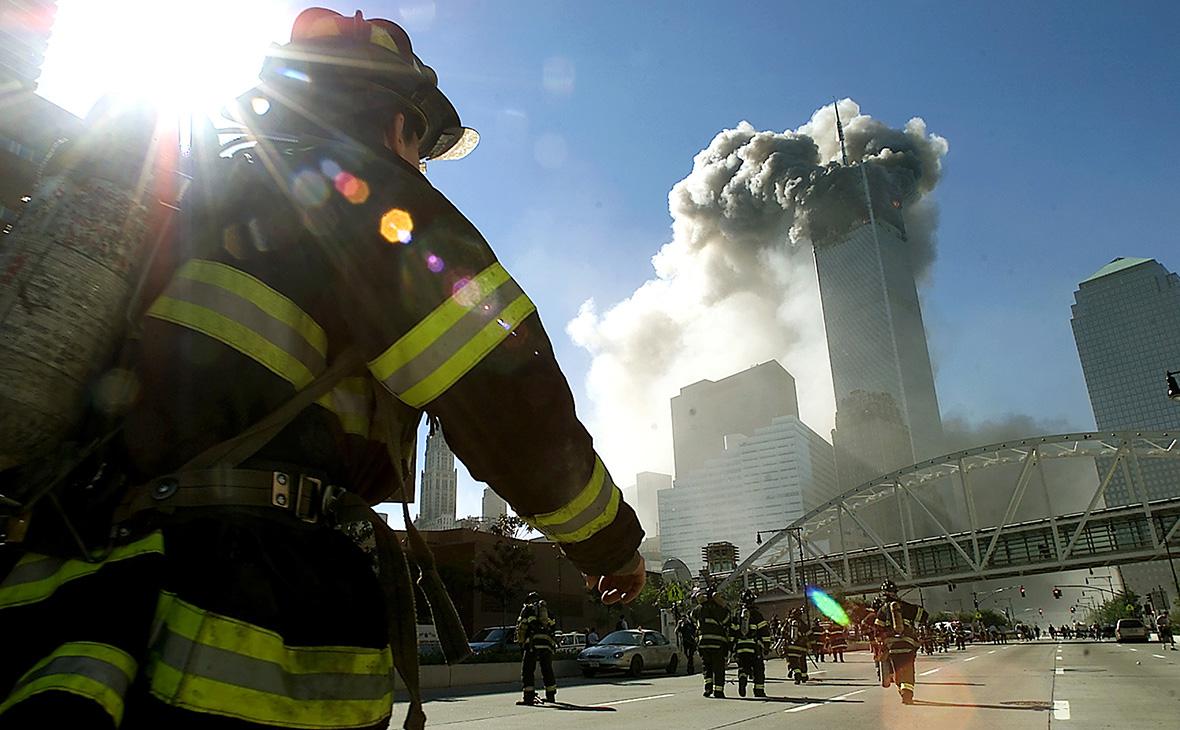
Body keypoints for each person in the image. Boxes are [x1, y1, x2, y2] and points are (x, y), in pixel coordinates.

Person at [0, 8, 648, 730]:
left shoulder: (196, 203)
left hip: (74, 599)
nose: (423, 165)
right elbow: (511, 402)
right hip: (240, 612)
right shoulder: (372, 205)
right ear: (400, 118)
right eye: (423, 145)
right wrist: (610, 544)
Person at [874, 580, 925, 705]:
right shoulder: (905, 606)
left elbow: (877, 630)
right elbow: (924, 616)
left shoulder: (882, 610)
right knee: (908, 669)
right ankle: (907, 694)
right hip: (908, 645)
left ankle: (901, 690)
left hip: (892, 647)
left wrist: (881, 643)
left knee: (897, 669)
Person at [517, 592, 557, 704]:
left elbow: (522, 627)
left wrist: (521, 642)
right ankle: (551, 695)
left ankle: (528, 697)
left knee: (528, 669)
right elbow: (553, 628)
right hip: (547, 644)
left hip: (532, 643)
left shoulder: (528, 610)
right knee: (547, 669)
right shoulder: (549, 612)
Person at [729, 589, 769, 697]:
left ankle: (742, 677)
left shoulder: (737, 615)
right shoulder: (757, 615)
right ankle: (758, 691)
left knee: (743, 666)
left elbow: (732, 632)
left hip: (740, 647)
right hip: (754, 647)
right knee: (758, 669)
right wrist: (766, 646)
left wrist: (731, 647)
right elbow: (764, 632)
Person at [693, 586, 730, 698]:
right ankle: (718, 690)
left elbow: (693, 619)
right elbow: (727, 621)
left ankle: (708, 688)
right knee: (718, 667)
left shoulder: (698, 609)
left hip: (703, 642)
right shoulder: (720, 609)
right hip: (718, 643)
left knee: (706, 666)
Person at [783, 607, 812, 685]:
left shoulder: (788, 623)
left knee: (793, 662)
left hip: (791, 647)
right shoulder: (803, 624)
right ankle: (804, 676)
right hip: (802, 647)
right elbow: (810, 634)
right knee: (803, 661)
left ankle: (797, 676)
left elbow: (782, 632)